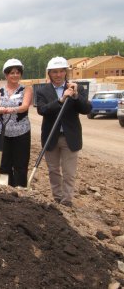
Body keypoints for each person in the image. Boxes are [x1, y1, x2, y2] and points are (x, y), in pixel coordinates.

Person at [36, 57, 92, 207]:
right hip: (51, 135)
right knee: (53, 170)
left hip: (70, 136)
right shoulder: (42, 91)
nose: (58, 74)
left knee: (69, 172)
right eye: (55, 72)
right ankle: (57, 197)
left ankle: (66, 200)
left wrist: (74, 96)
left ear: (66, 72)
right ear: (49, 73)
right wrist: (60, 100)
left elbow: (87, 109)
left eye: (61, 71)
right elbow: (42, 110)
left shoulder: (77, 88)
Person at [0, 59, 32, 187]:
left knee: (20, 164)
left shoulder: (27, 89)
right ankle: (7, 190)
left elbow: (25, 106)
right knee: (3, 163)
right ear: (6, 74)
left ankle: (20, 189)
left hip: (21, 131)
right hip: (2, 132)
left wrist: (10, 109)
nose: (15, 75)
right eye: (11, 73)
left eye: (17, 72)